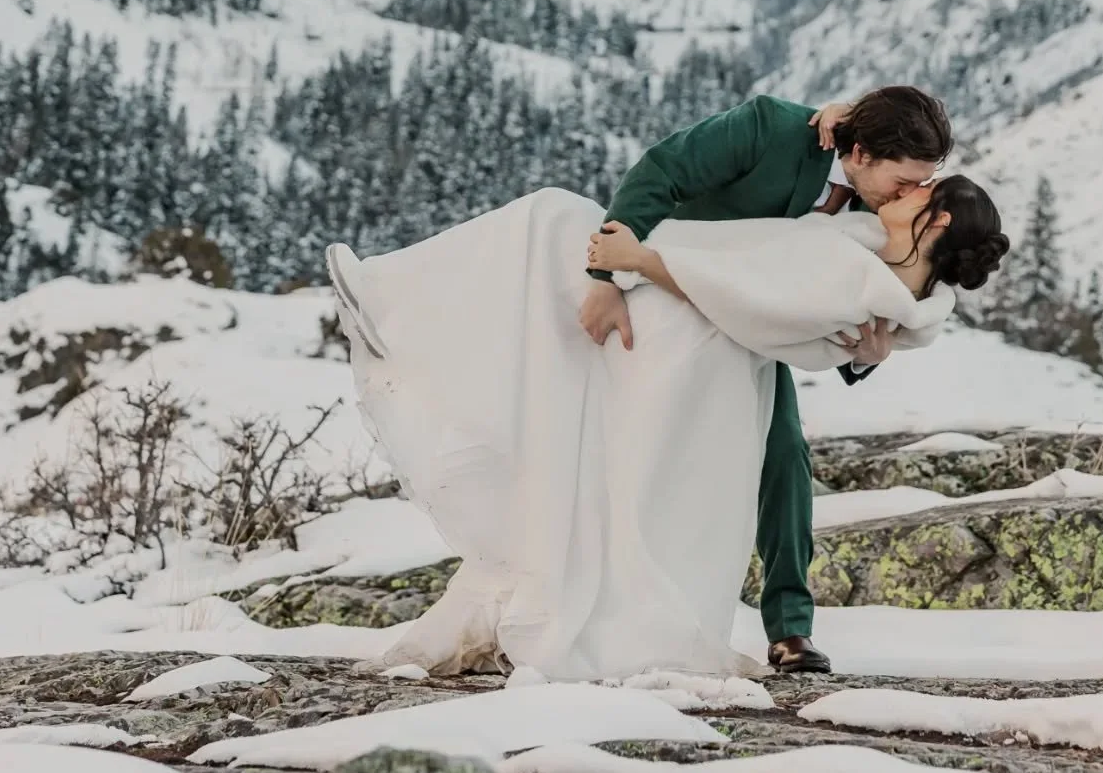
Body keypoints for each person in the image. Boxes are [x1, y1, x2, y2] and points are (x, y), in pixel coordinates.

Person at [326, 150, 1008, 687]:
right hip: (699, 341)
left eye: (921, 192)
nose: (901, 193)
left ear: (938, 222)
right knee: (556, 304)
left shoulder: (866, 287)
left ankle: (399, 311)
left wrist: (641, 260)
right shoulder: (880, 267)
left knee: (554, 239)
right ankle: (400, 312)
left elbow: (751, 301)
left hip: (691, 346)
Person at [577, 88, 954, 673]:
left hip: (751, 333)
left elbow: (855, 299)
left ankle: (790, 631)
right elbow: (662, 169)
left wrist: (867, 355)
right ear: (858, 152)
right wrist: (604, 275)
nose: (911, 196)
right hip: (664, 306)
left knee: (784, 460)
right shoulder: (768, 129)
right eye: (904, 183)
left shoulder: (877, 216)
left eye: (921, 184)